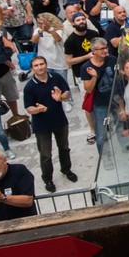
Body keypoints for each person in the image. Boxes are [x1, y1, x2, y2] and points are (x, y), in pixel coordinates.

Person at [22, 55, 76, 192]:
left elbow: (66, 93)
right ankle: (48, 179)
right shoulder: (29, 87)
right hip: (42, 125)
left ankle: (66, 170)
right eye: (36, 65)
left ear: (46, 65)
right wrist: (38, 109)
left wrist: (61, 98)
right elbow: (28, 108)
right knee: (45, 155)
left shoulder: (56, 78)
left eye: (42, 64)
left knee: (64, 147)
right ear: (32, 68)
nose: (40, 67)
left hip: (59, 120)